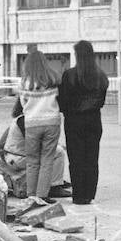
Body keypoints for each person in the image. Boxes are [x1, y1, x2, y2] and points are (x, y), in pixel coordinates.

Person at [58, 40, 109, 205]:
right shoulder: (101, 76)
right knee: (92, 157)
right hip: (94, 120)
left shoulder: (69, 75)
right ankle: (89, 193)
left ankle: (79, 194)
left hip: (74, 121)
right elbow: (101, 101)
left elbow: (62, 102)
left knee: (76, 158)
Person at [16, 44, 65, 204]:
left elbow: (23, 104)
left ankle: (31, 195)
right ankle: (43, 194)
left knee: (32, 160)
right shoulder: (53, 79)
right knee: (47, 159)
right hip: (51, 122)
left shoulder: (24, 82)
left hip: (32, 124)